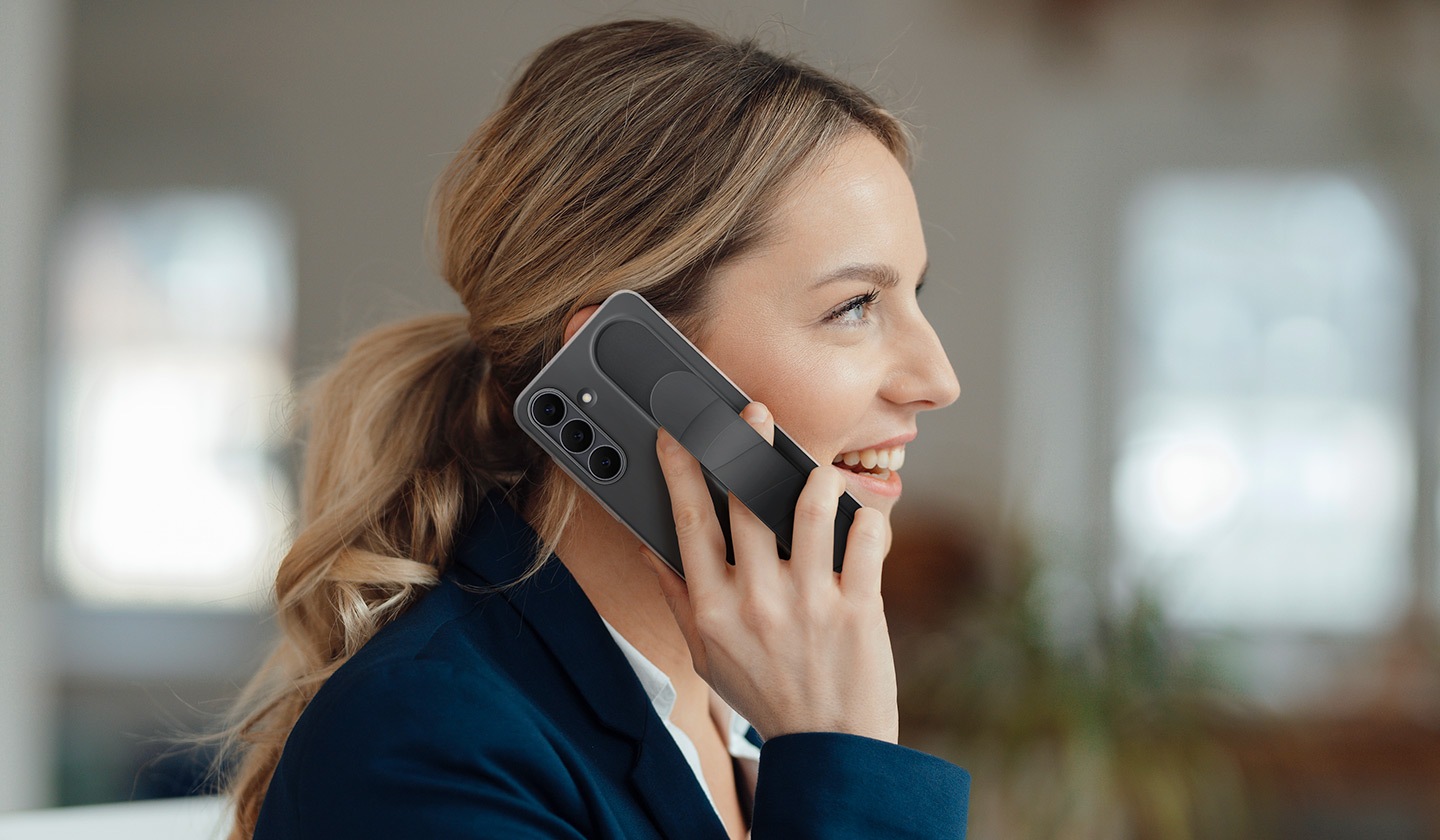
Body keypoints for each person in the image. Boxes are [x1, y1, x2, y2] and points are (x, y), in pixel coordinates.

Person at [219, 17, 969, 840]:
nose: (938, 382)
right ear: (630, 373)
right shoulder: (423, 746)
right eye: (854, 306)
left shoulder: (740, 710)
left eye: (913, 297)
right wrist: (844, 764)